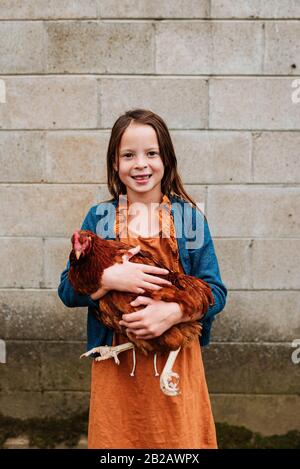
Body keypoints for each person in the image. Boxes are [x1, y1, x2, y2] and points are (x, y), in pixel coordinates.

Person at [58, 108, 227, 449]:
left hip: (175, 363)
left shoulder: (188, 218)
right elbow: (66, 289)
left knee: (176, 444)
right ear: (115, 165)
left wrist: (175, 312)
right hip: (117, 364)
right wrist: (109, 278)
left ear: (166, 160)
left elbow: (216, 291)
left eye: (151, 153)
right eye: (128, 155)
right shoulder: (100, 218)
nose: (141, 164)